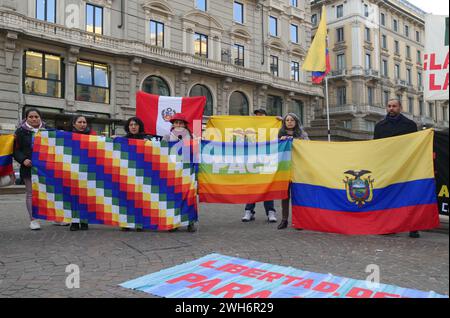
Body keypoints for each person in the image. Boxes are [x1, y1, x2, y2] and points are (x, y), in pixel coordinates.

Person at [13, 108, 68, 230]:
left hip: (47, 168)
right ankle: (33, 220)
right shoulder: (20, 132)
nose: (33, 119)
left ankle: (56, 218)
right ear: (26, 118)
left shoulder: (48, 130)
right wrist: (23, 160)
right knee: (31, 194)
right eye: (31, 117)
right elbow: (15, 150)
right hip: (29, 168)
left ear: (40, 118)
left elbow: (61, 142)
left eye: (36, 117)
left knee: (51, 192)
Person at [374, 98, 420, 238]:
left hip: (406, 166)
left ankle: (413, 227)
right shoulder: (380, 126)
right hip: (388, 167)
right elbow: (376, 147)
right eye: (389, 106)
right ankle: (390, 226)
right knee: (389, 197)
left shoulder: (410, 125)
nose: (391, 108)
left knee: (409, 197)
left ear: (400, 107)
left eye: (394, 106)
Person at [242, 109, 277, 223]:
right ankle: (249, 211)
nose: (259, 117)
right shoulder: (250, 130)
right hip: (253, 162)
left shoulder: (273, 128)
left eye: (261, 115)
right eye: (256, 116)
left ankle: (270, 212)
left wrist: (280, 121)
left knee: (268, 188)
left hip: (267, 161)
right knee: (252, 187)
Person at [163, 113, 196, 232]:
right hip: (172, 172)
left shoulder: (191, 137)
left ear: (185, 125)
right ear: (173, 124)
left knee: (189, 197)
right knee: (173, 198)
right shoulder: (167, 137)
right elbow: (161, 151)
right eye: (176, 122)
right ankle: (173, 223)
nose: (178, 125)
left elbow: (196, 153)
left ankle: (190, 222)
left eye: (181, 123)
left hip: (187, 172)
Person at [277, 113, 309, 230]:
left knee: (298, 195)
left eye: (292, 120)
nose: (289, 122)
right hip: (284, 169)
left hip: (298, 169)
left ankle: (298, 220)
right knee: (284, 196)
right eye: (287, 120)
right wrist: (280, 141)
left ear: (296, 122)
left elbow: (309, 147)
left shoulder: (302, 135)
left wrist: (296, 141)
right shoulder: (280, 134)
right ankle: (284, 219)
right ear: (284, 122)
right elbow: (274, 149)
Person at [69, 115, 96, 231]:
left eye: (84, 122)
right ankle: (74, 222)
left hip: (88, 171)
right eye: (79, 122)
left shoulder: (93, 136)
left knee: (86, 197)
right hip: (73, 171)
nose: (82, 124)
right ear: (74, 124)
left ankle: (84, 221)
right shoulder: (68, 137)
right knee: (74, 197)